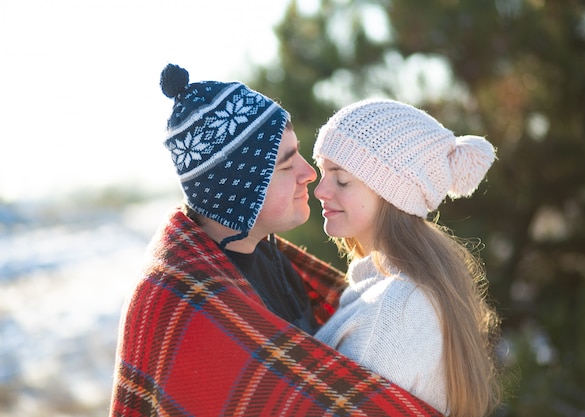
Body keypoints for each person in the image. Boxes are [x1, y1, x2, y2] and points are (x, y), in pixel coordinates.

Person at [109, 65, 443, 417]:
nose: (309, 173)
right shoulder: (180, 305)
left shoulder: (272, 258)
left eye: (298, 153)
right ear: (238, 192)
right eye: (285, 166)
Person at [313, 99, 503, 417]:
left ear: (390, 192)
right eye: (322, 173)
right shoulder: (387, 290)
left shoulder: (397, 306)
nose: (320, 190)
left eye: (341, 179)